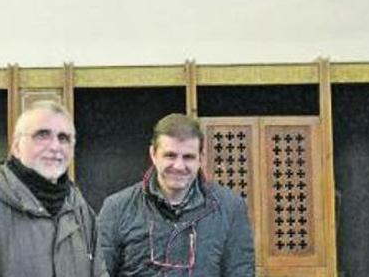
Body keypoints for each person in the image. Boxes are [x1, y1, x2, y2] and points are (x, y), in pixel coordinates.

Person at [97, 113, 254, 276]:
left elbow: (240, 272)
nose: (179, 166)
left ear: (200, 158)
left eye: (188, 157)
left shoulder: (230, 208)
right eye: (170, 155)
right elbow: (99, 272)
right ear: (153, 154)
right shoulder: (117, 208)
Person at [0, 101, 106, 276]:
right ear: (16, 147)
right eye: (42, 135)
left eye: (64, 138)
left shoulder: (80, 211)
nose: (55, 147)